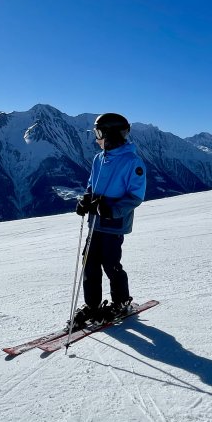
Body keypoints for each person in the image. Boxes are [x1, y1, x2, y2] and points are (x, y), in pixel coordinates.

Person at [71, 113, 147, 328]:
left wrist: (110, 209)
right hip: (95, 223)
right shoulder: (99, 158)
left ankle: (121, 302)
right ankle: (93, 305)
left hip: (113, 224)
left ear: (111, 134)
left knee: (110, 264)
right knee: (89, 263)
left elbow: (135, 196)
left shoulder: (132, 162)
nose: (96, 138)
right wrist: (86, 199)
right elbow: (91, 184)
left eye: (99, 133)